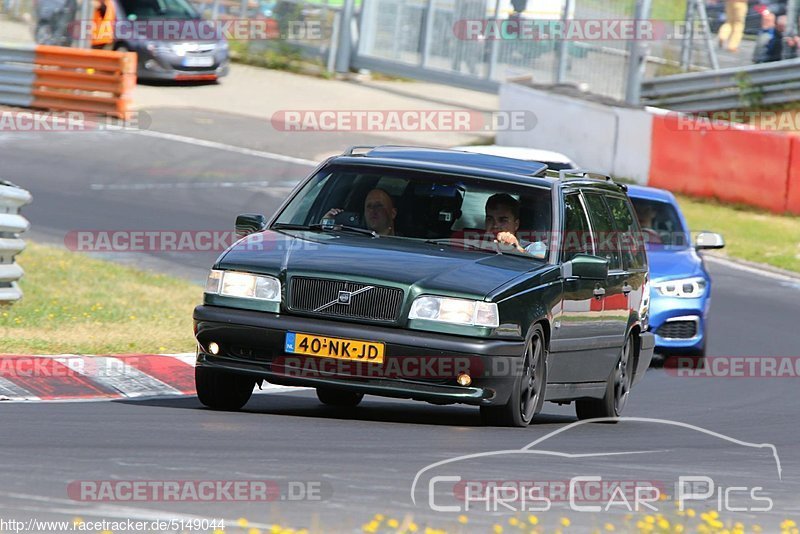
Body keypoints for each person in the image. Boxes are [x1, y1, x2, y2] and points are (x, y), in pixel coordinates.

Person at [484, 193, 546, 258]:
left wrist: (515, 249)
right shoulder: (475, 244)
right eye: (490, 219)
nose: (495, 225)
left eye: (503, 220)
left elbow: (538, 262)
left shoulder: (535, 247)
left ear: (516, 224)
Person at [323, 188, 398, 236]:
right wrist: (326, 229)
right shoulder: (353, 241)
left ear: (393, 213)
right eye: (369, 206)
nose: (373, 210)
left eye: (379, 205)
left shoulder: (405, 244)